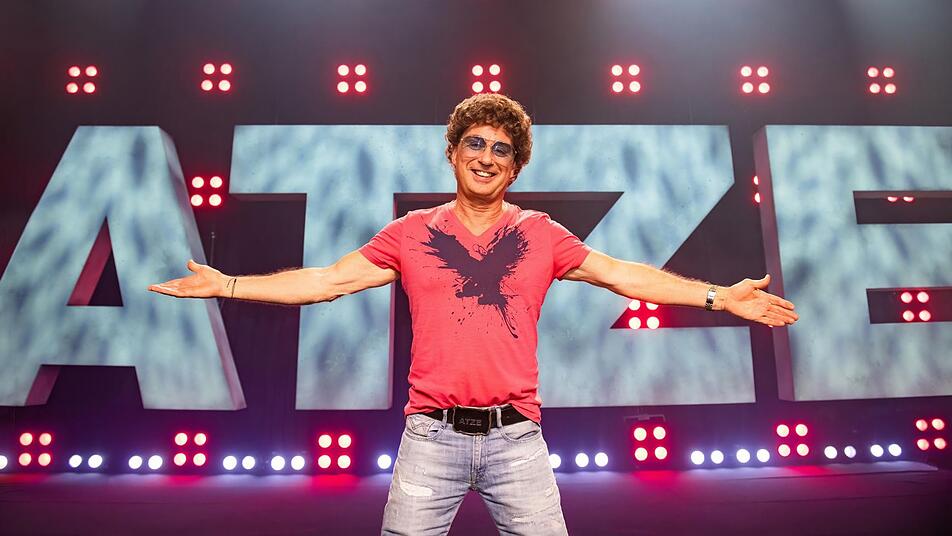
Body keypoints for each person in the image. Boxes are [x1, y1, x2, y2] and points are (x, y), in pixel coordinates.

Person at [149, 93, 799, 535]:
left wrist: (719, 296)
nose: (486, 156)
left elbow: (623, 274)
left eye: (501, 150)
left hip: (518, 441)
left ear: (515, 167)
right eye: (475, 143)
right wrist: (227, 284)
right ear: (453, 152)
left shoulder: (541, 234)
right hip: (429, 439)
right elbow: (325, 281)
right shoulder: (410, 233)